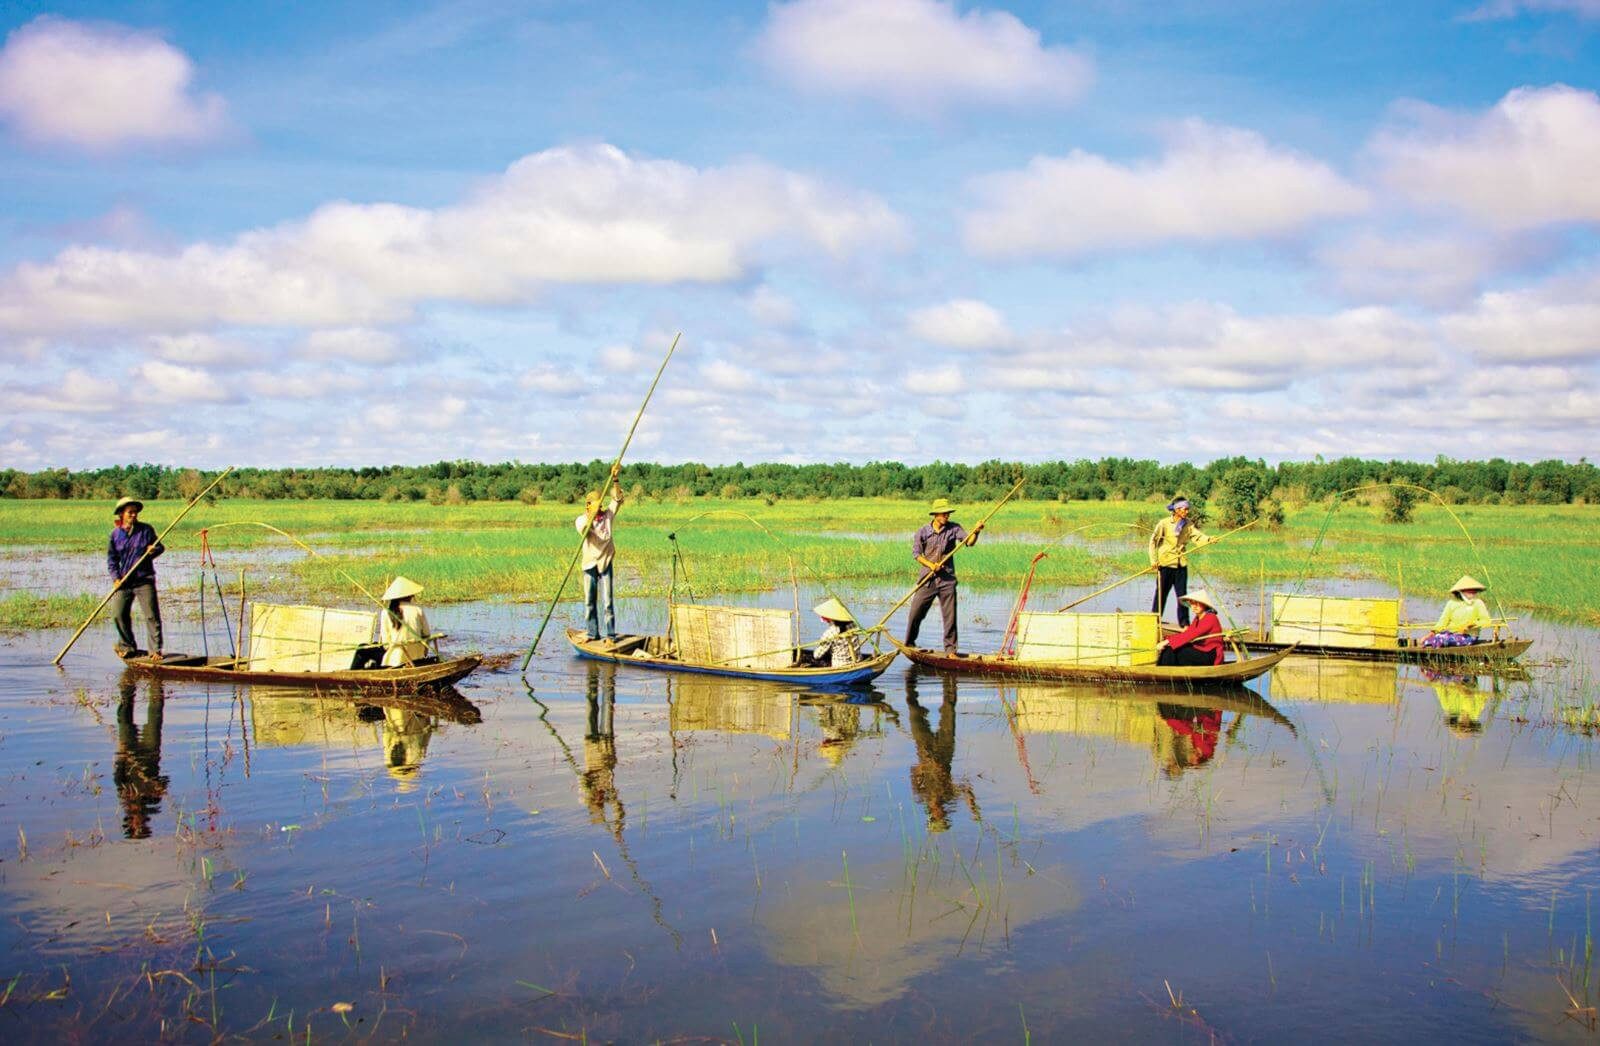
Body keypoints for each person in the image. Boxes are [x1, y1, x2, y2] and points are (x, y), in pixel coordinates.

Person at [903, 498, 984, 654]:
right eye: (944, 513)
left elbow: (969, 542)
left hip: (947, 581)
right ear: (935, 515)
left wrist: (977, 531)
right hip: (927, 580)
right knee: (915, 613)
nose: (947, 515)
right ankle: (909, 643)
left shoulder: (954, 528)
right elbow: (916, 554)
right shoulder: (923, 531)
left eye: (948, 513)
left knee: (950, 617)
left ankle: (950, 650)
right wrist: (931, 565)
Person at [106, 496, 165, 660]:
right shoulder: (115, 535)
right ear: (121, 514)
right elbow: (112, 560)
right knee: (118, 614)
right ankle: (127, 645)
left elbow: (160, 547)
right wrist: (116, 579)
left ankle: (155, 651)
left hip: (144, 579)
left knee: (151, 616)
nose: (133, 515)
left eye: (135, 512)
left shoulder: (146, 530)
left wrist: (154, 549)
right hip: (124, 581)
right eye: (130, 512)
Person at [1149, 496, 1210, 626]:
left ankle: (1184, 624)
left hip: (1180, 564)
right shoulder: (1164, 523)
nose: (1186, 512)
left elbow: (1197, 536)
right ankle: (1154, 621)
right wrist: (1153, 560)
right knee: (1161, 593)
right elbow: (1153, 542)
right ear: (1176, 510)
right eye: (1184, 509)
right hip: (1165, 564)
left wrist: (1209, 539)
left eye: (1187, 509)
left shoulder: (1188, 524)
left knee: (1182, 596)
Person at [576, 479, 623, 641]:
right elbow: (584, 530)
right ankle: (592, 633)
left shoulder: (608, 515)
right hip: (590, 564)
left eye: (600, 505)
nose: (599, 508)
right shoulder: (581, 519)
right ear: (588, 505)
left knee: (608, 602)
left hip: (606, 561)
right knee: (590, 602)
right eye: (595, 505)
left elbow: (618, 499)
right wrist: (591, 515)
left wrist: (615, 480)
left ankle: (611, 635)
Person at [1155, 590, 1226, 666]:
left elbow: (1191, 635)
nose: (1194, 606)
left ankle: (1165, 672)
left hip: (1210, 655)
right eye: (1192, 603)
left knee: (1172, 648)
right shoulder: (1197, 619)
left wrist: (1167, 641)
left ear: (1204, 605)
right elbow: (1186, 633)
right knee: (1169, 648)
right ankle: (1162, 669)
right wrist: (1166, 640)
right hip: (1200, 650)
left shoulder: (1210, 617)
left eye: (1197, 603)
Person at [1422, 575, 1492, 647]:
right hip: (1452, 633)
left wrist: (1473, 624)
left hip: (1469, 636)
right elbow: (1443, 621)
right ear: (1460, 591)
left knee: (1441, 640)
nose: (1472, 592)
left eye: (1473, 590)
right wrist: (1432, 633)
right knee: (1429, 641)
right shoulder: (1452, 603)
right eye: (1468, 590)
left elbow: (1486, 621)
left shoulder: (1478, 603)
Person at [379, 576, 432, 667]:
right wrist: (425, 652)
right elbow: (427, 635)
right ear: (410, 595)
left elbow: (386, 644)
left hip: (395, 659)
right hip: (417, 657)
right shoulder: (417, 610)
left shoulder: (386, 613)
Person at [806, 597, 862, 667]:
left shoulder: (830, 633)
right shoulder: (854, 625)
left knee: (809, 658)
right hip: (858, 659)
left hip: (840, 664)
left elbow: (817, 655)